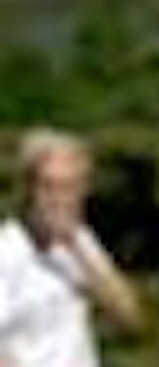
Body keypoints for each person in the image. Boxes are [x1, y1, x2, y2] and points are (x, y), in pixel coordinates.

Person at [0, 128, 143, 367]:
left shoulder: (81, 240)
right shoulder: (8, 251)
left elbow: (129, 316)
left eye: (70, 187)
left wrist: (77, 248)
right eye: (48, 186)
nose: (59, 199)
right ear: (27, 189)